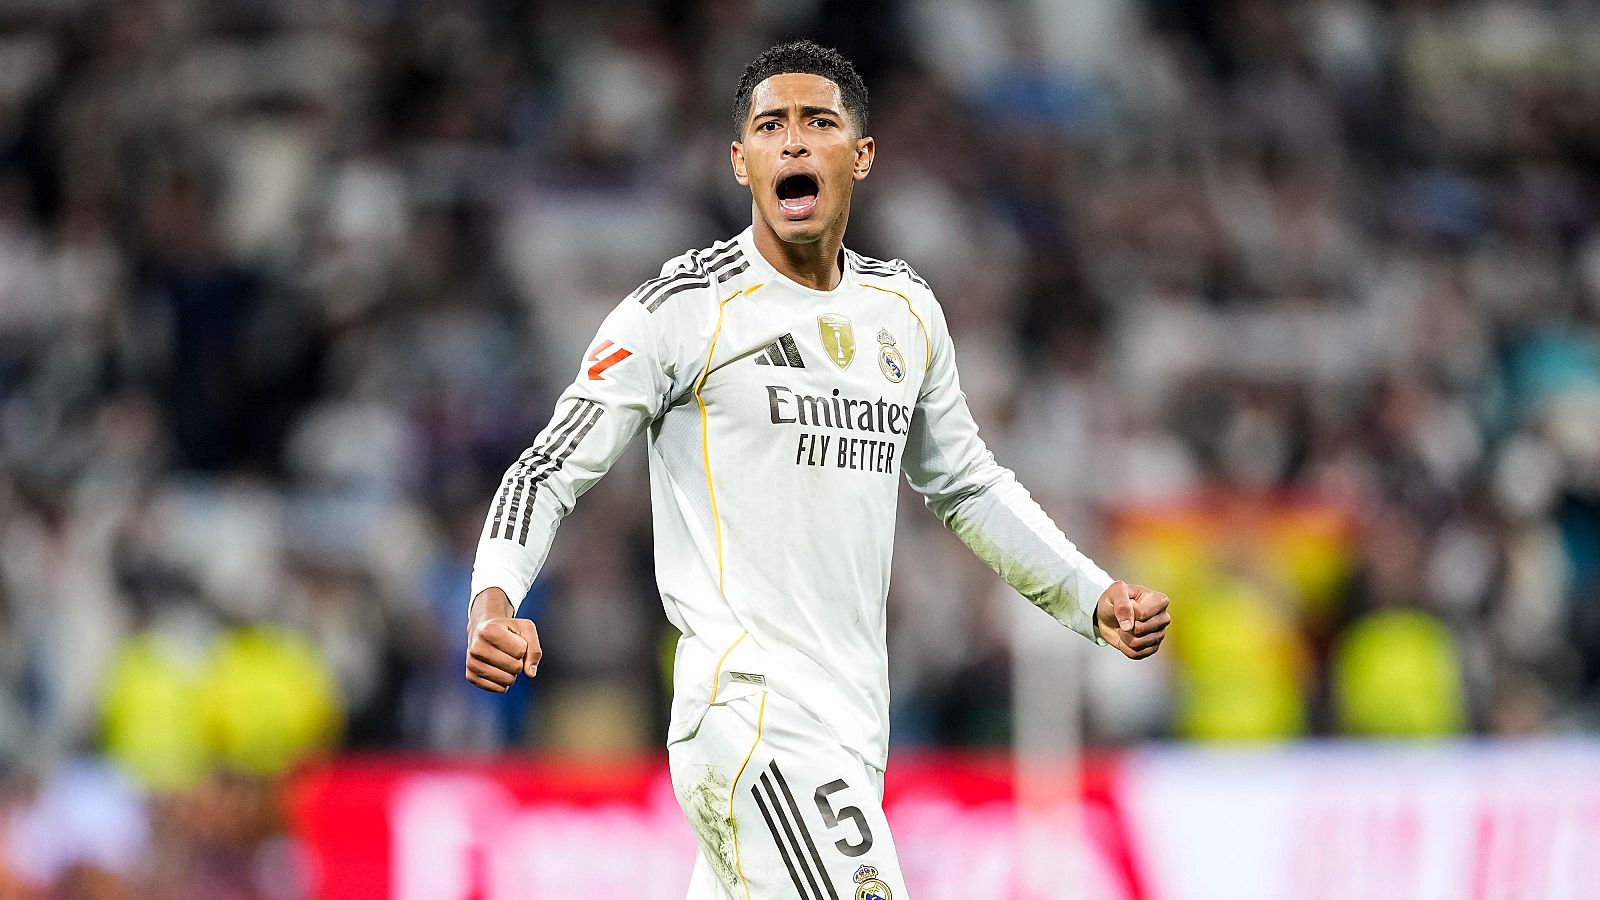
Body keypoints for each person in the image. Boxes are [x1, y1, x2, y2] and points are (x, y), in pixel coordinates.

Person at [464, 40, 1171, 900]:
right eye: (770, 126)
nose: (793, 143)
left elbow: (968, 484)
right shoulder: (683, 312)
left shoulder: (904, 313)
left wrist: (1089, 597)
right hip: (752, 722)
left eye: (818, 123)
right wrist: (495, 594)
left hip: (850, 732)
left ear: (860, 156)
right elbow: (547, 466)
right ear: (741, 160)